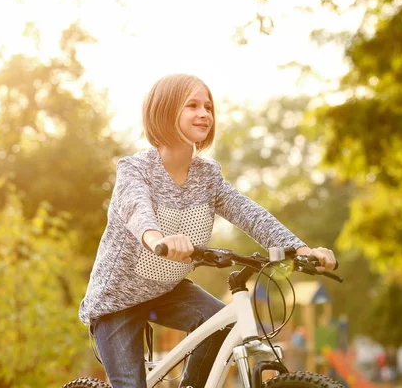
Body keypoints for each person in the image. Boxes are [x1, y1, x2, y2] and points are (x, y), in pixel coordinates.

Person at [78, 73, 338, 388]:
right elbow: (136, 210)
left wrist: (302, 251)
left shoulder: (207, 175)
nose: (204, 113)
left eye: (208, 107)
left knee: (222, 324)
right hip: (117, 299)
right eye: (192, 105)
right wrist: (157, 239)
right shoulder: (135, 169)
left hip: (167, 291)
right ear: (164, 112)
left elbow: (249, 213)